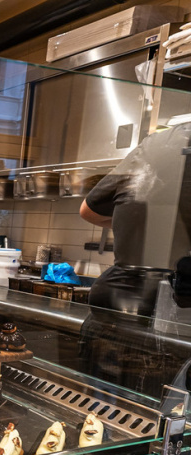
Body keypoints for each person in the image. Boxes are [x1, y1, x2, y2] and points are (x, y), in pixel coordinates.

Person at [78, 123, 191, 396]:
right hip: (168, 323)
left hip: (112, 306)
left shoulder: (159, 142)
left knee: (99, 419)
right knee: (157, 424)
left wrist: (131, 226)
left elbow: (87, 211)